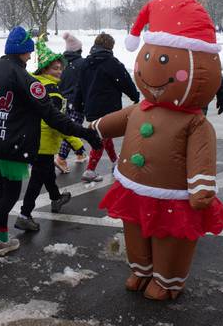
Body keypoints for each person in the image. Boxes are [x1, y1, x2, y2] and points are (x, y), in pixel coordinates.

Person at [96, 0, 223, 300]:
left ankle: (168, 279)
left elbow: (201, 156)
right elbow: (116, 121)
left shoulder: (195, 123)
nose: (149, 68)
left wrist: (201, 186)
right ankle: (140, 270)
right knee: (134, 232)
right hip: (134, 188)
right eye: (146, 58)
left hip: (171, 194)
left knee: (168, 236)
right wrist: (93, 128)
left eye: (160, 60)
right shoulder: (142, 107)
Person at [0, 27, 102, 267]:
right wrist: (85, 134)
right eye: (28, 53)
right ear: (22, 52)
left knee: (2, 191)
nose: (30, 57)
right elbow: (53, 116)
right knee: (10, 194)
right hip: (10, 144)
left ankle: (2, 240)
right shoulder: (26, 80)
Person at [15, 39, 84, 232]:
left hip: (30, 139)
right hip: (44, 142)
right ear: (45, 69)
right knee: (37, 179)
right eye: (55, 68)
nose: (59, 72)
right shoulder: (52, 91)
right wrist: (76, 143)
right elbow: (57, 122)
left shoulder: (34, 85)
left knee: (45, 173)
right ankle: (24, 214)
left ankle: (55, 199)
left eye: (61, 68)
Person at [73, 33, 140, 182]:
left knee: (104, 135)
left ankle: (115, 162)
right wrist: (135, 96)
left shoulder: (86, 63)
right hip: (109, 107)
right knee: (102, 136)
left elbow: (79, 86)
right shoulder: (112, 63)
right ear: (110, 47)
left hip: (91, 107)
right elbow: (125, 81)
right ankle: (90, 170)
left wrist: (78, 105)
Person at [55, 32, 88, 173]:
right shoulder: (82, 63)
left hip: (63, 100)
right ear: (78, 50)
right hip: (76, 100)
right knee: (72, 130)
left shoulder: (61, 63)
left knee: (67, 127)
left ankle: (80, 153)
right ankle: (61, 158)